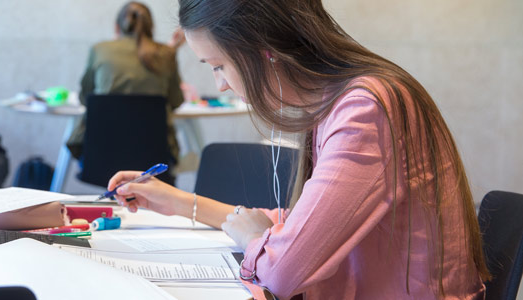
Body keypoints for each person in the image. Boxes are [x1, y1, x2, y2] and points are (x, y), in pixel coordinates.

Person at [107, 0, 489, 299]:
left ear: (263, 49)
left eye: (218, 65)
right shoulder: (342, 100)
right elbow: (305, 225)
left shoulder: (366, 110)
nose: (220, 84)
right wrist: (177, 202)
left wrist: (254, 241)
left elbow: (284, 272)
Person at [66, 1, 185, 180]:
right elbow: (176, 101)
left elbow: (86, 98)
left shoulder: (100, 50)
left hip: (99, 154)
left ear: (117, 27)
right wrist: (170, 50)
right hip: (155, 155)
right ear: (150, 27)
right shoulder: (166, 53)